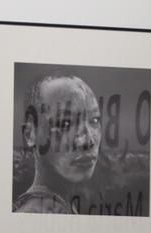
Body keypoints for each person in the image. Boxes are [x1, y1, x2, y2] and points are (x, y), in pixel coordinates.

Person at [13, 73, 102, 213]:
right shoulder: (41, 212)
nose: (87, 141)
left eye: (94, 120)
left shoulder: (57, 205)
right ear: (30, 134)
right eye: (65, 123)